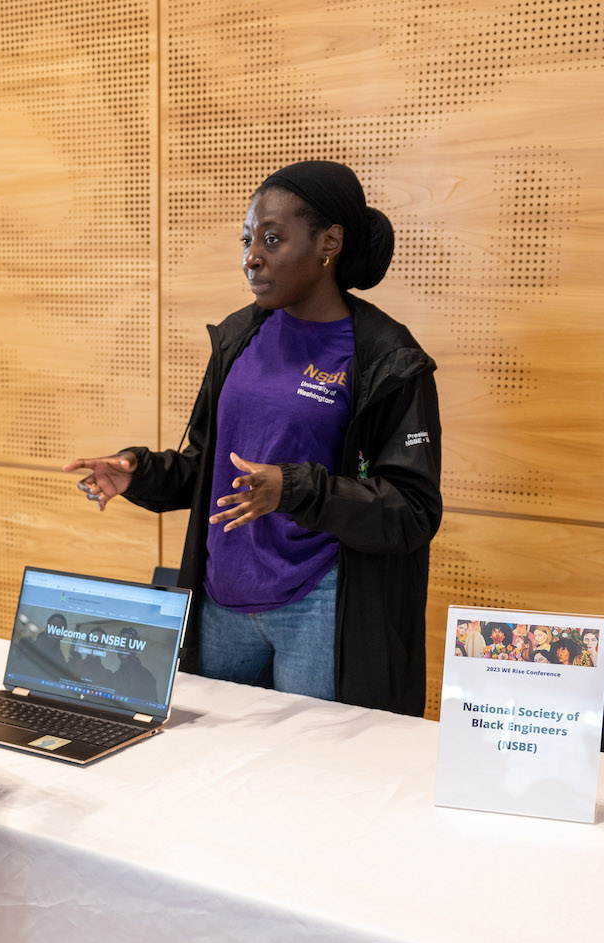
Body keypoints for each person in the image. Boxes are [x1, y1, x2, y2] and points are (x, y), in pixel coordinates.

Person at [64, 161, 442, 714]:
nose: (251, 257)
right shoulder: (239, 337)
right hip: (222, 598)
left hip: (321, 603)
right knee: (214, 770)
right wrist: (139, 472)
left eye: (271, 239)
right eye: (247, 240)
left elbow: (411, 510)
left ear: (329, 242)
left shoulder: (388, 359)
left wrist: (294, 490)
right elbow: (206, 465)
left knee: (308, 775)